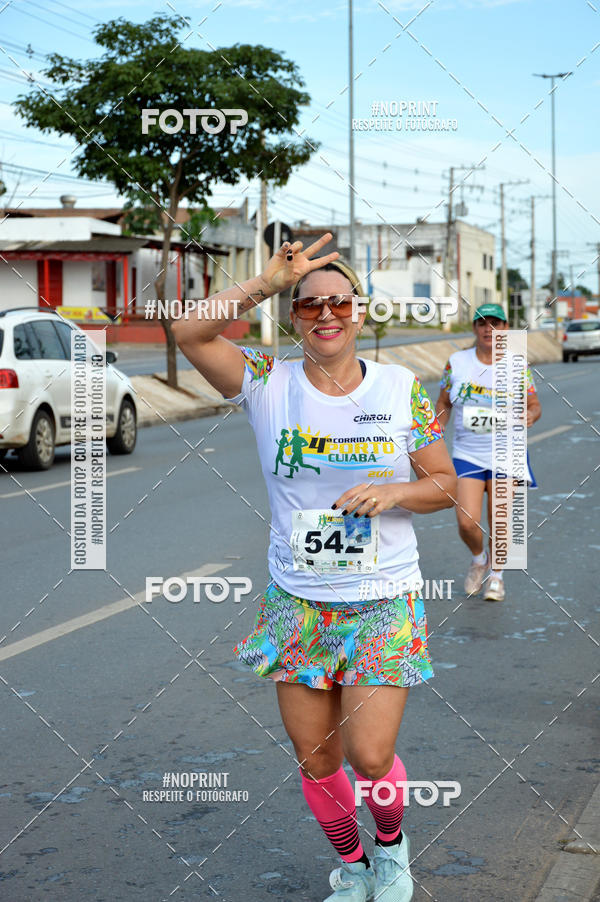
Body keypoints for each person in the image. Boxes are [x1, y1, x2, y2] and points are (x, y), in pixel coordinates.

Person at [173, 234, 457, 902]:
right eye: (308, 305)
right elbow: (188, 331)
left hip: (383, 597)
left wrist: (393, 492)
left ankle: (391, 851)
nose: (325, 313)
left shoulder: (399, 390)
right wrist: (268, 281)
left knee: (369, 756)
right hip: (297, 603)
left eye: (338, 302)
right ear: (295, 317)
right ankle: (353, 866)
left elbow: (444, 484)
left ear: (360, 312)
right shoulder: (269, 383)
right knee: (316, 757)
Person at [435, 303, 542, 602]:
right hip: (467, 454)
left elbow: (534, 404)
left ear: (505, 329)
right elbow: (444, 403)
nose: (489, 329)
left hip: (506, 453)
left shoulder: (518, 365)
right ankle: (479, 559)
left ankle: (497, 576)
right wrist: (432, 431)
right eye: (482, 323)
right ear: (474, 328)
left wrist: (532, 414)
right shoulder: (456, 362)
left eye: (496, 323)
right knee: (466, 521)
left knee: (500, 520)